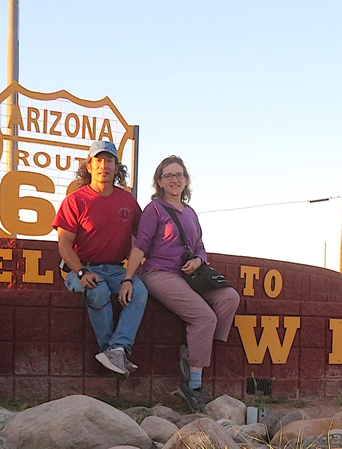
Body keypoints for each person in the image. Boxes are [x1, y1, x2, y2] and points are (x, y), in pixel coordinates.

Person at [122, 155, 240, 411]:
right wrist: (128, 278)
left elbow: (199, 247)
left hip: (189, 274)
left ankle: (196, 349)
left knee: (230, 298)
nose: (174, 180)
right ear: (160, 182)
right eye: (168, 176)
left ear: (186, 181)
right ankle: (193, 384)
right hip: (159, 273)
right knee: (204, 318)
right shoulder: (154, 210)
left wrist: (199, 260)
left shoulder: (191, 213)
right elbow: (141, 244)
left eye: (179, 175)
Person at [53, 140, 148, 378]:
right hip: (80, 268)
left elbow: (142, 239)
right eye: (98, 160)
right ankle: (111, 352)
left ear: (117, 167)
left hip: (116, 269)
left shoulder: (127, 201)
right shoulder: (75, 201)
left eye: (109, 161)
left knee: (140, 291)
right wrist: (82, 272)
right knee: (98, 290)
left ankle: (116, 349)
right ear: (89, 166)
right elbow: (64, 245)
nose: (103, 166)